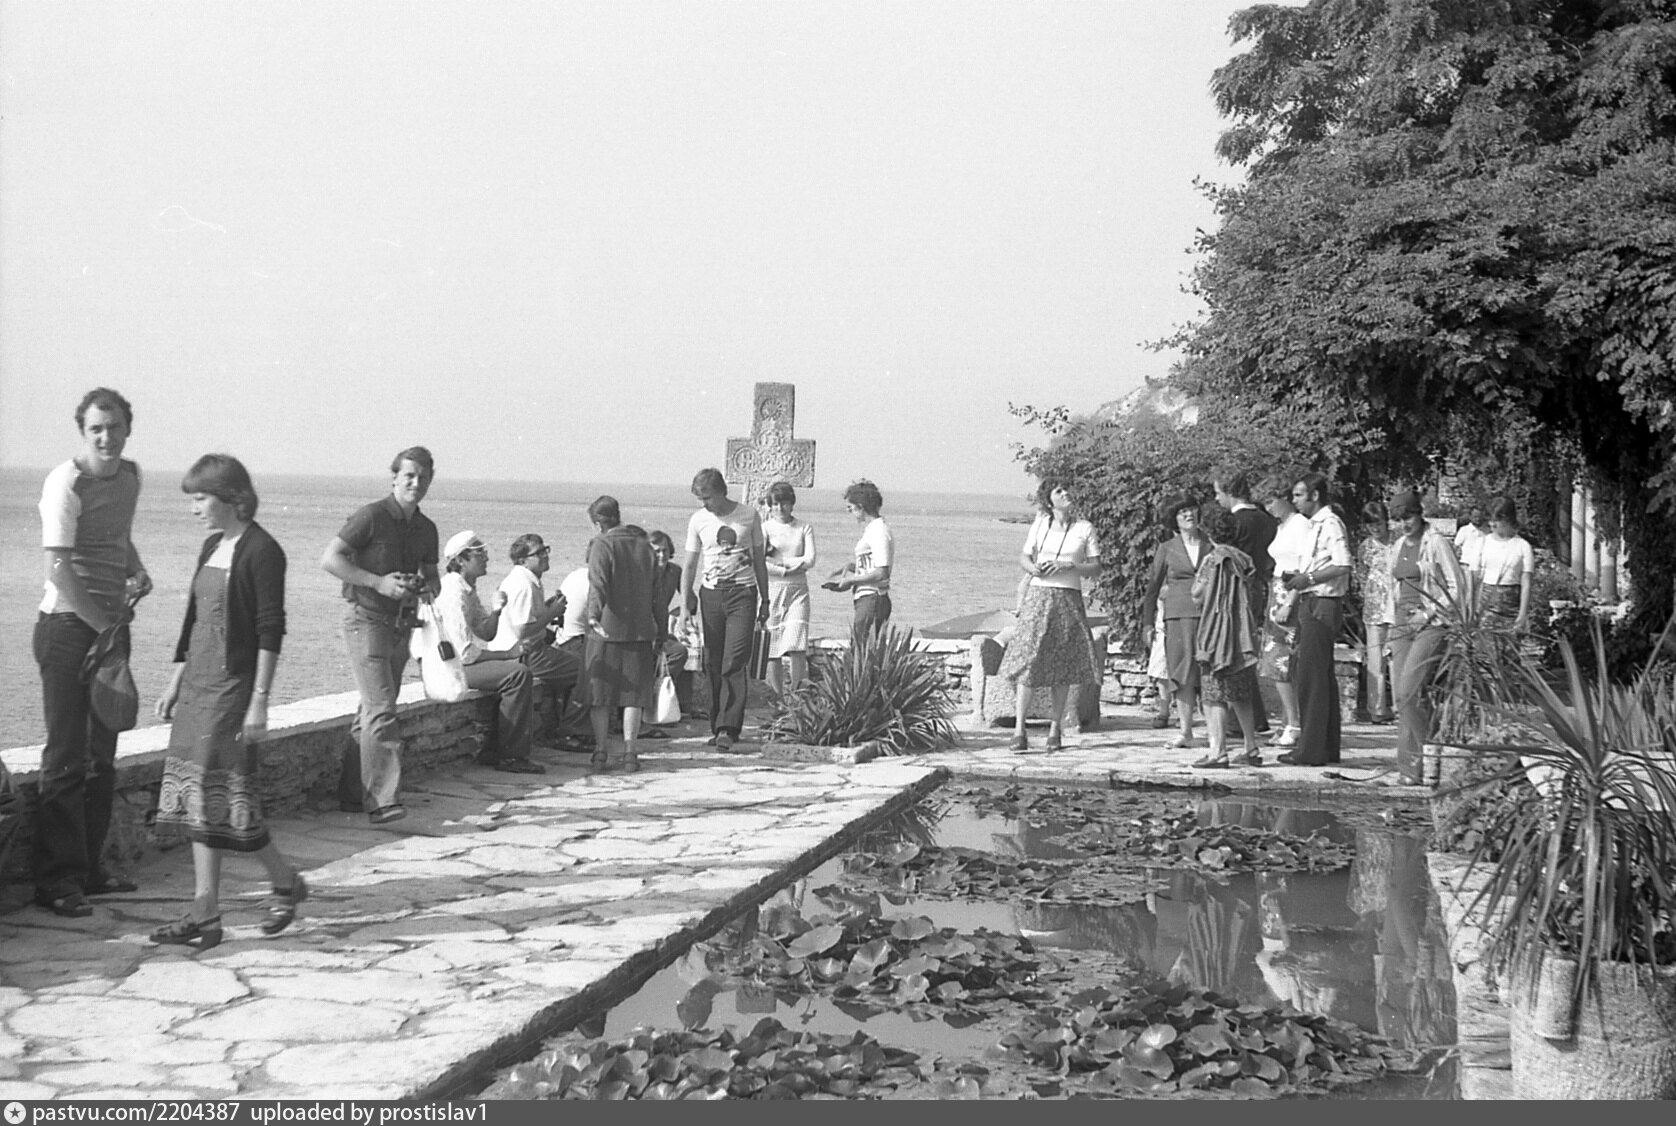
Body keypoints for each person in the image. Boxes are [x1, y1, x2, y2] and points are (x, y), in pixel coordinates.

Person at [151, 455, 306, 949]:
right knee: (198, 797)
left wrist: (260, 700)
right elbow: (193, 621)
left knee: (231, 798)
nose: (194, 508)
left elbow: (269, 629)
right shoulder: (210, 546)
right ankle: (206, 911)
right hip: (197, 684)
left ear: (231, 498)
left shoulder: (264, 551)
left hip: (233, 687)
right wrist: (175, 681)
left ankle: (283, 880)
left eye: (201, 498)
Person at [33, 387, 153, 919]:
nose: (107, 437)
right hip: (66, 630)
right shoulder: (65, 483)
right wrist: (104, 627)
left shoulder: (131, 476)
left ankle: (89, 869)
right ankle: (56, 881)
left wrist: (136, 568)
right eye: (96, 429)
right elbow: (58, 567)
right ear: (83, 432)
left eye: (114, 427)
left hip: (108, 631)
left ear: (128, 428)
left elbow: (115, 536)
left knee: (102, 758)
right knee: (65, 757)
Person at [321, 446, 439, 825]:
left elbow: (432, 576)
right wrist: (378, 582)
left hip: (401, 624)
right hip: (366, 620)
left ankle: (352, 794)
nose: (415, 483)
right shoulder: (371, 516)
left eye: (422, 477)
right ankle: (383, 801)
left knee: (373, 707)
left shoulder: (426, 529)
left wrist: (424, 586)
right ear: (394, 478)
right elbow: (330, 559)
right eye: (409, 476)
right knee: (382, 706)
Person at [998, 477, 1101, 753]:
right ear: (1049, 500)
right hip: (1039, 596)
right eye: (1059, 490)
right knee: (1029, 660)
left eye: (1067, 489)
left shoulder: (1084, 528)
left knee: (1062, 664)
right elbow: (1024, 557)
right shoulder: (1040, 524)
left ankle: (1055, 729)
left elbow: (1096, 567)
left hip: (1068, 597)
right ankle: (1020, 730)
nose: (1066, 493)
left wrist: (1070, 565)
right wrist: (1033, 568)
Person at [432, 530, 545, 775]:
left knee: (514, 672)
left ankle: (495, 748)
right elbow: (465, 654)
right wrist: (506, 655)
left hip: (455, 665)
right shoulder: (453, 592)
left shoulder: (466, 589)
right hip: (448, 669)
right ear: (461, 560)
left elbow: (486, 633)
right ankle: (511, 755)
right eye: (479, 554)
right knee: (517, 674)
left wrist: (496, 611)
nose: (486, 558)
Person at [678, 469, 769, 753]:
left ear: (721, 491)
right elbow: (689, 564)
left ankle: (729, 727)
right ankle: (717, 724)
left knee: (735, 659)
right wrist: (684, 605)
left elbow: (759, 560)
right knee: (713, 661)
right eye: (700, 499)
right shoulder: (698, 520)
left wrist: (766, 600)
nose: (705, 504)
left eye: (707, 498)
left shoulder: (748, 515)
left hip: (743, 594)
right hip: (711, 596)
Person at [1384, 489, 1467, 784]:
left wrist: (1429, 611)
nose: (1404, 524)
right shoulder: (1397, 546)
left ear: (1419, 514)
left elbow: (1457, 586)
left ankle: (1432, 750)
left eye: (1408, 517)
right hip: (1401, 625)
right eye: (1398, 519)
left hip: (1430, 624)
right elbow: (1393, 588)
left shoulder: (1436, 543)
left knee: (1409, 691)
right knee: (1403, 698)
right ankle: (1410, 769)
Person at [1279, 472, 1353, 767]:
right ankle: (1326, 746)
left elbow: (1343, 564)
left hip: (1323, 602)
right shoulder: (1313, 526)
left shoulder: (1330, 523)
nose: (1294, 500)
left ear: (1315, 495)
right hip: (1311, 599)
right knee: (1319, 676)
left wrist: (1309, 579)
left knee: (1311, 676)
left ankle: (1310, 749)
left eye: (1299, 495)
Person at [582, 496, 659, 772]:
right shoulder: (645, 546)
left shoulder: (602, 544)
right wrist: (660, 629)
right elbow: (657, 592)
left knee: (600, 696)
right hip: (640, 630)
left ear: (598, 523)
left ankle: (601, 751)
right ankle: (630, 753)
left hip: (606, 629)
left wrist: (592, 615)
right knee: (633, 697)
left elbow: (598, 583)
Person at [491, 533, 584, 746]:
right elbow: (522, 630)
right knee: (586, 671)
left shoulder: (527, 580)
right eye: (538, 553)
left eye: (545, 550)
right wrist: (552, 613)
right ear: (523, 560)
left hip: (525, 650)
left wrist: (548, 607)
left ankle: (557, 727)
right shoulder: (524, 585)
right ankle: (572, 731)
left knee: (572, 664)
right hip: (524, 653)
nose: (545, 556)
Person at [1189, 510, 1263, 769]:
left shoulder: (1213, 559)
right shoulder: (1244, 559)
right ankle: (1251, 748)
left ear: (1208, 532)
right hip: (1241, 632)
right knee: (1240, 692)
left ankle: (1218, 751)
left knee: (1214, 692)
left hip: (1217, 630)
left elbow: (1197, 593)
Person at [1142, 494, 1210, 750]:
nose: (1189, 515)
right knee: (1182, 674)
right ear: (1175, 519)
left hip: (1208, 616)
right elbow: (1152, 589)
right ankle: (1185, 731)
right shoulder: (1167, 548)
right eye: (1182, 513)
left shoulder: (1211, 544)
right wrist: (1148, 624)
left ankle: (1215, 730)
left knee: (1209, 673)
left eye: (1191, 509)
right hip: (1177, 617)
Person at [1213, 467, 1277, 735]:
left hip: (1237, 590)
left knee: (1236, 652)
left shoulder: (1236, 522)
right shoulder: (1266, 519)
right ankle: (1252, 718)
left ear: (1229, 492)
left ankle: (1245, 719)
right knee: (1247, 650)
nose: (1217, 498)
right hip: (1260, 587)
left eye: (1218, 492)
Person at [1263, 479, 1310, 747]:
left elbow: (1304, 565)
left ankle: (1294, 723)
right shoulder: (1282, 526)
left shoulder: (1300, 525)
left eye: (1271, 501)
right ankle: (1286, 722)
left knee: (1281, 661)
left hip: (1289, 592)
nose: (1269, 508)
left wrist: (1290, 601)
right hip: (1277, 589)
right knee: (1276, 662)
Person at [761, 481, 817, 698]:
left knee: (797, 643)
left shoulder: (804, 527)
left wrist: (782, 562)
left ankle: (798, 695)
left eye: (784, 503)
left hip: (798, 590)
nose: (780, 508)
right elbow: (760, 561)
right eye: (775, 504)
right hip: (773, 589)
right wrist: (785, 569)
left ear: (791, 503)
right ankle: (777, 697)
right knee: (773, 645)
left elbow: (810, 559)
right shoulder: (766, 528)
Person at [826, 479, 894, 635]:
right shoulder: (873, 529)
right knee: (861, 643)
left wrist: (851, 581)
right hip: (868, 598)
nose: (849, 511)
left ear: (861, 507)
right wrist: (851, 567)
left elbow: (881, 572)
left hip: (873, 597)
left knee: (862, 645)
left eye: (850, 507)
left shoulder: (879, 531)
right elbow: (873, 566)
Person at [647, 530, 697, 724]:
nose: (661, 555)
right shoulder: (643, 573)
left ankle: (683, 707)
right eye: (656, 551)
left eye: (665, 551)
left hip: (661, 630)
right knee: (677, 652)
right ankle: (654, 698)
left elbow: (692, 602)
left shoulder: (674, 572)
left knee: (687, 647)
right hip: (646, 630)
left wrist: (680, 611)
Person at [1357, 499, 1396, 724]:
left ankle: (1400, 706)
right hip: (1374, 608)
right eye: (1371, 524)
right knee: (1375, 660)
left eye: (1379, 523)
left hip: (1398, 606)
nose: (1375, 528)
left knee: (1396, 658)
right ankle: (1377, 710)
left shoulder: (1398, 542)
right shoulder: (1366, 547)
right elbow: (1362, 575)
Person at [1472, 496, 1536, 631]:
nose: (1492, 524)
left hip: (1512, 608)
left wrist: (1522, 614)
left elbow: (1526, 583)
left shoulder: (1523, 546)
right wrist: (1471, 609)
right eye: (1490, 520)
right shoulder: (1482, 543)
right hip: (1485, 608)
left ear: (1508, 519)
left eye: (1497, 520)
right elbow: (1474, 579)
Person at [1453, 502, 1487, 574]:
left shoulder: (1485, 533)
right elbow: (1456, 546)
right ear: (1470, 517)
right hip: (1466, 566)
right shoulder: (1464, 530)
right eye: (1475, 517)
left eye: (1480, 517)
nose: (1478, 519)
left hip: (1480, 568)